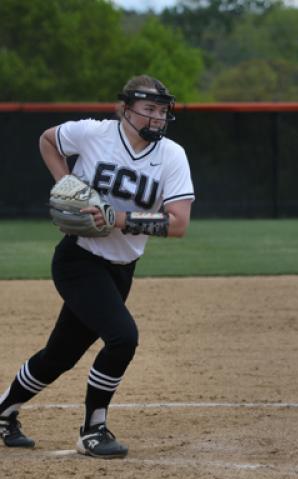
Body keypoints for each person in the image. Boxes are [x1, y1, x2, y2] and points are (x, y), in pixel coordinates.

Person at [0, 75, 195, 459]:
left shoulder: (171, 155)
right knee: (123, 337)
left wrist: (118, 217)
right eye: (149, 109)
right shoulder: (94, 134)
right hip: (78, 259)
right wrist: (67, 182)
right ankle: (93, 430)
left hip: (121, 268)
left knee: (59, 356)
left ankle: (3, 411)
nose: (157, 118)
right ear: (125, 109)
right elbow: (48, 139)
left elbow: (179, 223)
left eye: (162, 111)